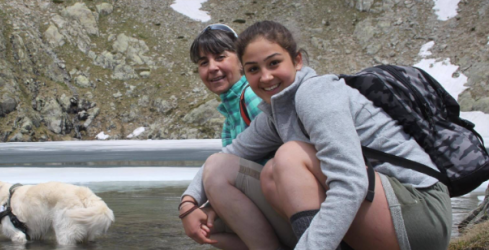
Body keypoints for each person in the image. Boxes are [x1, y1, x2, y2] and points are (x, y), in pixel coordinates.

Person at [206, 20, 451, 250]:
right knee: (270, 174)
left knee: (290, 157)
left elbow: (350, 181)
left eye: (274, 63)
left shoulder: (315, 94)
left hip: (422, 212)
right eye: (253, 69)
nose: (266, 76)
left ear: (297, 60)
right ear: (246, 74)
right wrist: (189, 203)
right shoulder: (276, 112)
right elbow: (226, 157)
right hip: (385, 208)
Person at [178, 24, 296, 250]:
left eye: (220, 57)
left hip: (291, 206)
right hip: (279, 204)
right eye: (204, 63)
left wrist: (192, 203)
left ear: (241, 61)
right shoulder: (231, 113)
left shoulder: (252, 97)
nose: (212, 68)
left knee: (217, 172)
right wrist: (209, 206)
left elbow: (222, 170)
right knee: (206, 227)